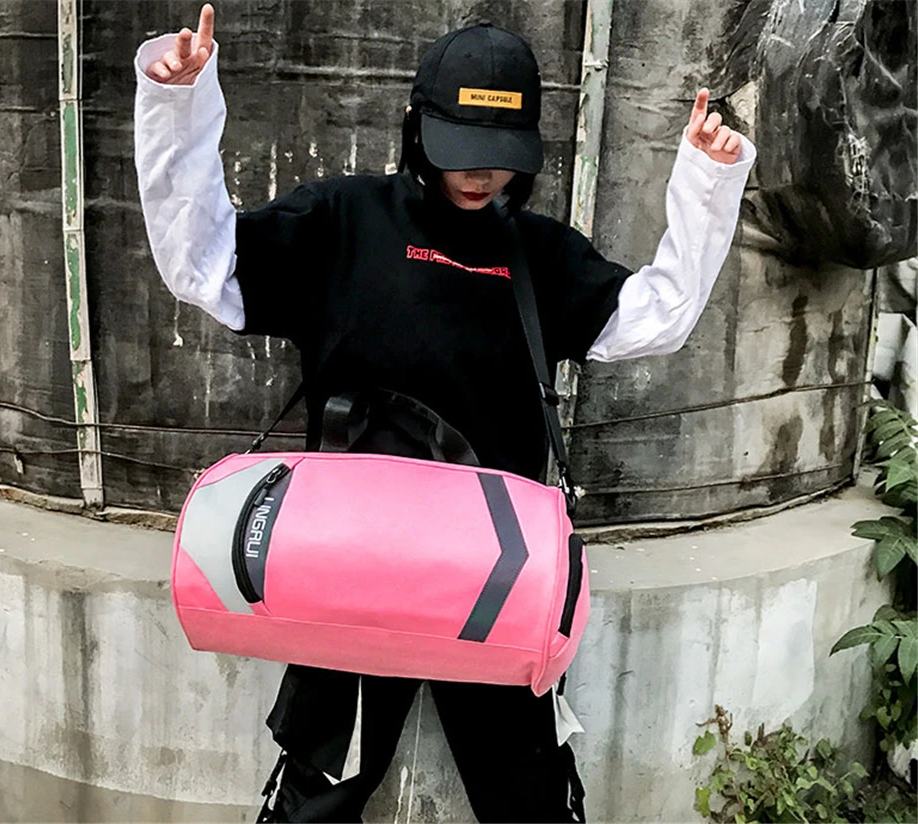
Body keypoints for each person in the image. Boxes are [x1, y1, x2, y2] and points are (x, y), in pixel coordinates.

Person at [134, 5, 755, 822]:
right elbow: (204, 264)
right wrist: (177, 104)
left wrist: (708, 180)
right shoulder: (343, 222)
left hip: (495, 579)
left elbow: (657, 316)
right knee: (317, 798)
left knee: (530, 800)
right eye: (458, 148)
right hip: (348, 569)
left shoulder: (538, 255)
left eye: (499, 156)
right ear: (415, 126)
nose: (479, 174)